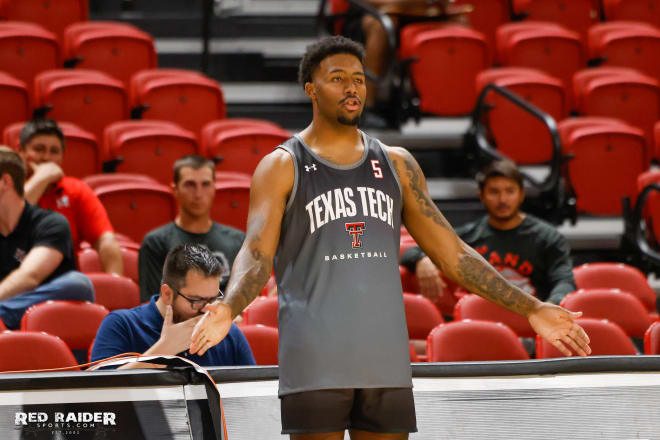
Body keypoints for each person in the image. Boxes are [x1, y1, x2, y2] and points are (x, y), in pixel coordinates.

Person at [189, 36, 591, 440]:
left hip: (386, 362)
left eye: (359, 79)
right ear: (311, 89)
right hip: (315, 360)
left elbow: (454, 255)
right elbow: (257, 253)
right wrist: (228, 305)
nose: (352, 88)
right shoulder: (282, 165)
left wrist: (531, 308)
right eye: (338, 78)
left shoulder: (397, 164)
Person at [401, 159, 576, 305]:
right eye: (494, 192)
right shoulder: (469, 235)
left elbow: (564, 281)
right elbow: (410, 252)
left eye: (510, 191)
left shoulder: (547, 238)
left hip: (527, 326)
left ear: (521, 195)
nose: (502, 200)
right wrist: (422, 260)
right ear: (481, 196)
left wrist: (552, 306)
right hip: (477, 321)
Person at [91, 243, 255, 368]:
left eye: (212, 299)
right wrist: (164, 351)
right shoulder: (121, 325)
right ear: (167, 294)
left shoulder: (227, 334)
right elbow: (97, 395)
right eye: (196, 300)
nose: (207, 309)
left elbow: (252, 396)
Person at [0, 146, 94, 329]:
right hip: (7, 334)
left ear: (5, 182)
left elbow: (29, 277)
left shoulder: (51, 223)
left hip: (56, 327)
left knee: (78, 284)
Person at [19, 118, 123, 275]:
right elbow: (13, 218)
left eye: (54, 151)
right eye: (39, 149)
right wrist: (41, 178)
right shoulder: (7, 187)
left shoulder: (76, 190)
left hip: (62, 282)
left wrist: (115, 283)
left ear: (61, 157)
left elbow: (105, 241)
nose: (47, 158)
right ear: (21, 152)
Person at [138, 155, 245, 302]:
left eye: (205, 184)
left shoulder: (237, 240)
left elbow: (246, 298)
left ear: (215, 188)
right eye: (190, 184)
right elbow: (152, 306)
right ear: (175, 189)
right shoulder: (156, 242)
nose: (198, 194)